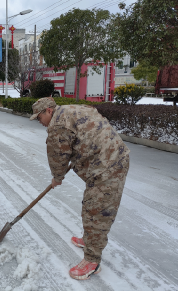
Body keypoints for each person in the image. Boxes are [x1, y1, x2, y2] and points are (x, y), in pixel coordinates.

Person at [30, 97, 130, 280]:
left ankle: (92, 261)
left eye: (39, 117)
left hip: (107, 167)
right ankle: (90, 240)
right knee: (92, 205)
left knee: (97, 212)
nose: (39, 122)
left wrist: (57, 178)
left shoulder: (58, 125)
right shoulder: (71, 109)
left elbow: (57, 156)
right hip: (111, 158)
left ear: (49, 111)